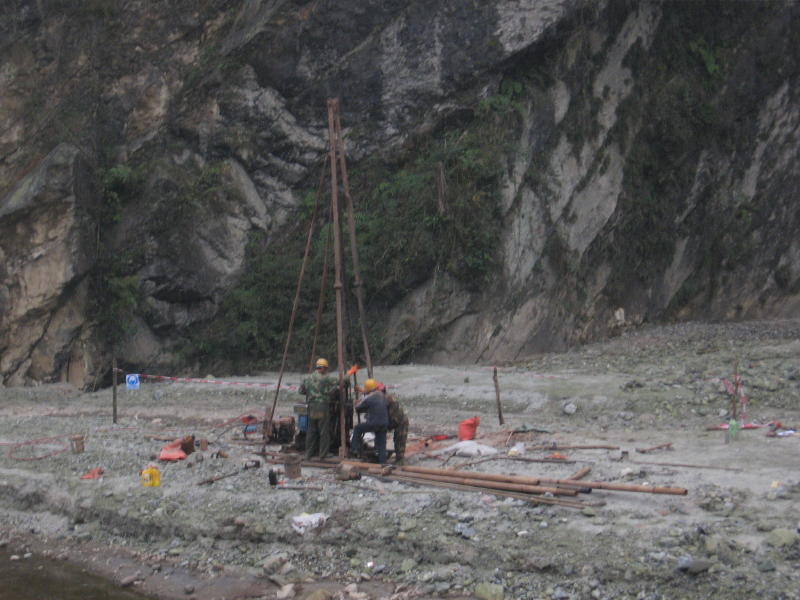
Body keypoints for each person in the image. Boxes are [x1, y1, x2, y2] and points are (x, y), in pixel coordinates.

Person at [299, 358, 337, 460]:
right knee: (323, 430)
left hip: (312, 407)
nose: (326, 371)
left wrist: (312, 393)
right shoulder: (325, 378)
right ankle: (323, 454)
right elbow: (341, 380)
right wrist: (351, 372)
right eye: (326, 369)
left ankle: (308, 454)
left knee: (311, 430)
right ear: (323, 368)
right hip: (322, 407)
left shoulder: (308, 378)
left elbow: (301, 391)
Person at [350, 378, 388, 464]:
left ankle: (354, 450)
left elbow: (358, 408)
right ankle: (383, 463)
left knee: (357, 428)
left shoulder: (369, 398)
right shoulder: (381, 395)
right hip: (384, 423)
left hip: (374, 423)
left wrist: (356, 403)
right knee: (382, 444)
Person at [379, 381, 408, 463]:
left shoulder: (387, 398)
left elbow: (390, 415)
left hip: (401, 422)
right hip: (396, 422)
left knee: (400, 441)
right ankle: (398, 458)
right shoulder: (384, 398)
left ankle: (400, 460)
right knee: (397, 440)